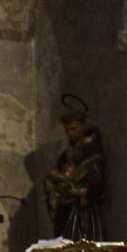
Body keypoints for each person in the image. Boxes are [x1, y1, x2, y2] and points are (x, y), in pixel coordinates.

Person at [42, 99, 107, 242]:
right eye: (67, 130)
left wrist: (79, 192)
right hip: (65, 211)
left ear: (82, 127)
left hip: (82, 214)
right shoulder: (66, 155)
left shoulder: (92, 154)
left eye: (73, 129)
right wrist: (51, 187)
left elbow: (98, 184)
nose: (70, 133)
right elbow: (55, 175)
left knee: (80, 249)